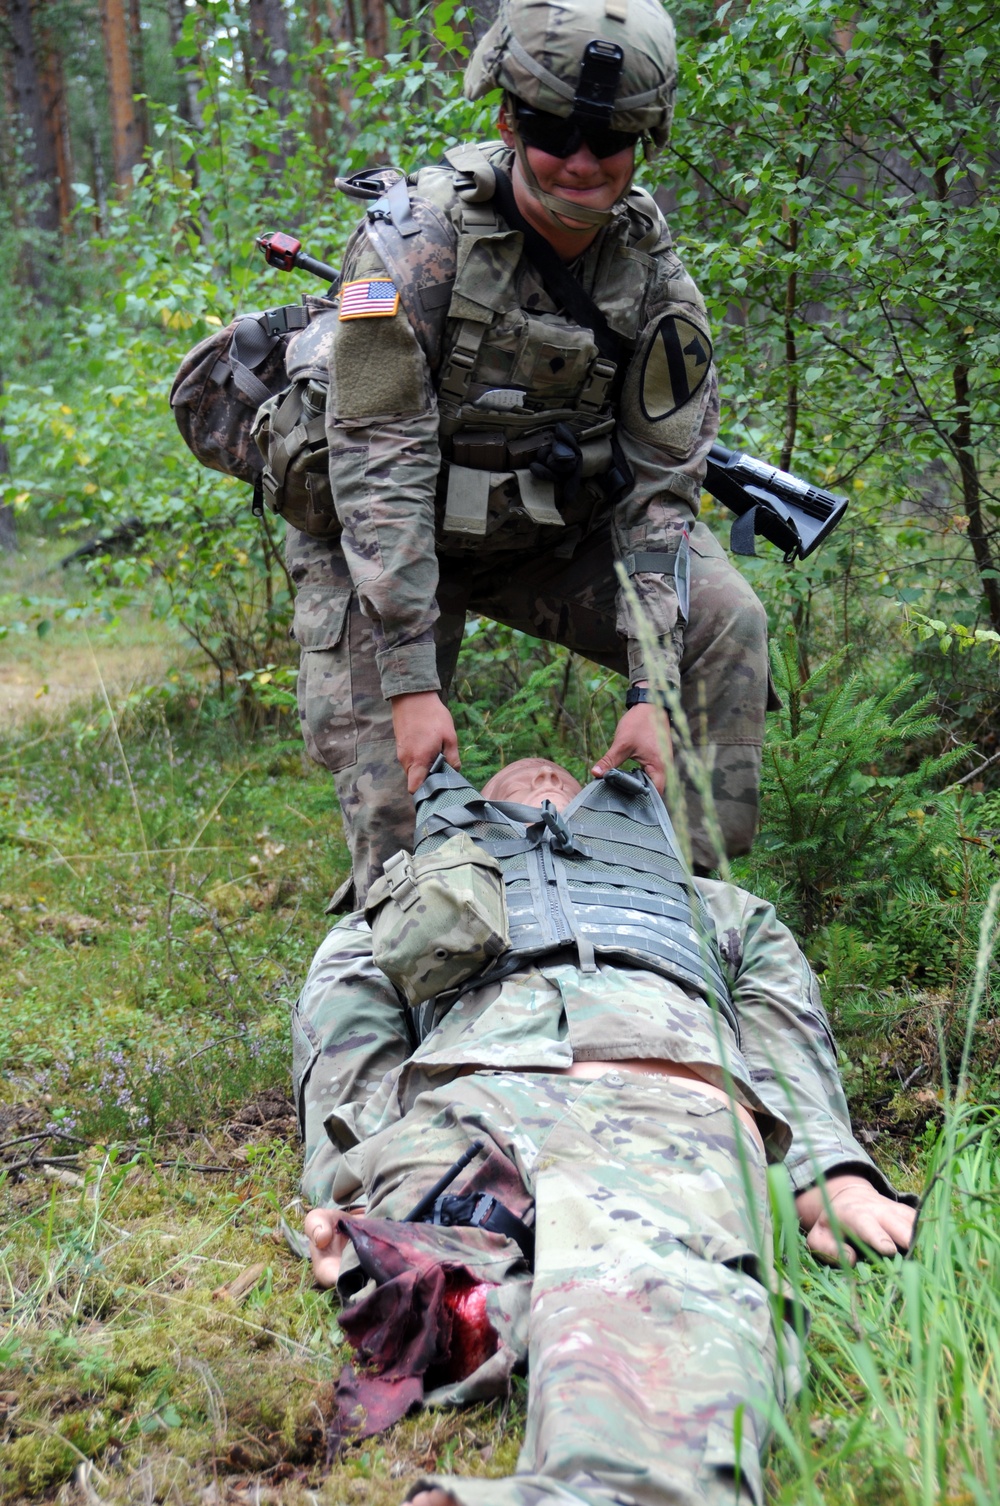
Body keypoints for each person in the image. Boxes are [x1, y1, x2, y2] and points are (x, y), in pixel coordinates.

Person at [291, 756, 915, 1506]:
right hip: (468, 1103)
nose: (537, 775)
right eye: (511, 776)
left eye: (556, 772)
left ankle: (590, 1464)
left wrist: (830, 1171)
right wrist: (349, 1176)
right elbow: (344, 1011)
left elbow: (783, 1021)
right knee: (455, 1268)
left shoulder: (709, 903)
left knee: (668, 1282)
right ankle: (488, 1304)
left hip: (664, 1095)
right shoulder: (418, 893)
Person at [289, 0, 776, 908]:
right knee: (400, 815)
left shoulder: (658, 284)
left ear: (646, 138)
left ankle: (686, 909)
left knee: (726, 625)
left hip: (548, 533)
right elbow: (374, 456)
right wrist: (410, 678)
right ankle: (401, 969)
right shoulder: (404, 249)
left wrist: (649, 688)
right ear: (509, 121)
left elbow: (660, 496)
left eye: (611, 137)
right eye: (556, 130)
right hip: (388, 545)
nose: (583, 161)